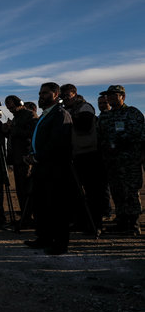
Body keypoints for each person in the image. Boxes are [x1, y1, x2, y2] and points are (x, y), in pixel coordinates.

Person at [24, 82, 73, 255]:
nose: (41, 96)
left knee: (57, 207)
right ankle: (43, 238)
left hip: (55, 168)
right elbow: (41, 139)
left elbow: (57, 142)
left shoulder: (60, 114)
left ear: (56, 94)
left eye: (45, 93)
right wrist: (32, 154)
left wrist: (38, 156)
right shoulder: (46, 116)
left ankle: (60, 244)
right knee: (41, 205)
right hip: (41, 167)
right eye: (40, 93)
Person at [98, 85, 144, 236]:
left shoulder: (133, 113)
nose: (110, 98)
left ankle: (134, 225)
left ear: (123, 97)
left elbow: (140, 134)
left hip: (130, 161)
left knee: (131, 192)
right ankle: (122, 222)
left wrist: (120, 142)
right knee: (117, 193)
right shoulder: (105, 116)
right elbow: (100, 136)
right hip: (112, 162)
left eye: (114, 95)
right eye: (108, 96)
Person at [60, 84, 107, 231]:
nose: (65, 98)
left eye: (67, 95)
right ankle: (79, 221)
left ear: (74, 94)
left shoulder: (85, 107)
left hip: (89, 153)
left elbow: (84, 125)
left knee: (93, 191)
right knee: (74, 191)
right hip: (73, 154)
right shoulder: (65, 110)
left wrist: (66, 117)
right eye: (63, 96)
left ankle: (95, 223)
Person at [3, 95, 37, 223]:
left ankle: (31, 217)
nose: (11, 109)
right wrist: (6, 131)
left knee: (28, 190)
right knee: (21, 190)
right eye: (8, 108)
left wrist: (14, 129)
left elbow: (33, 133)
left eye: (12, 106)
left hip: (26, 157)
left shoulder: (30, 115)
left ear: (20, 103)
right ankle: (25, 216)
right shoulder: (16, 117)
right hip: (17, 158)